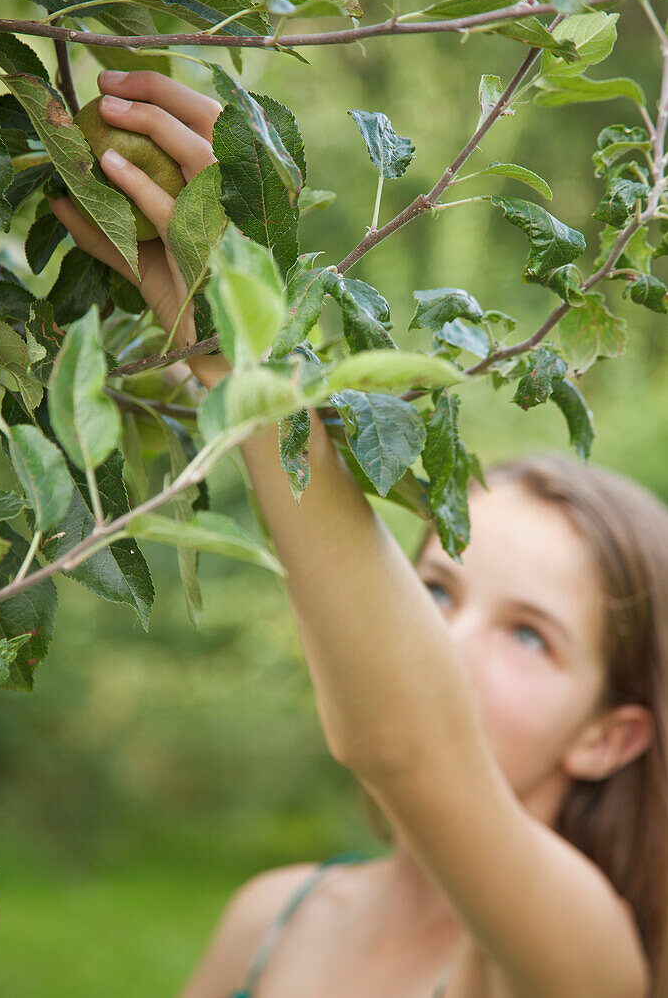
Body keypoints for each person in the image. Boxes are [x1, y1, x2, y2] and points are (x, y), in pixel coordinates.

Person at [48, 70, 668, 998]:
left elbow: (405, 745)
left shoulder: (584, 963)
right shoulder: (273, 917)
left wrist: (242, 353)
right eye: (434, 592)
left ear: (608, 740)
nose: (447, 643)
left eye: (529, 634)